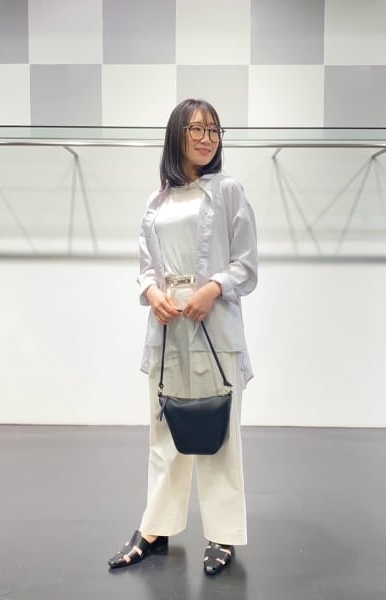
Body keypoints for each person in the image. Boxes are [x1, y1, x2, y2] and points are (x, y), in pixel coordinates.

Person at [108, 98, 258, 575]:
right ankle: (155, 530)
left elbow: (246, 265)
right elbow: (145, 268)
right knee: (164, 431)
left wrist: (212, 289)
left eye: (214, 130)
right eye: (197, 129)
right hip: (169, 327)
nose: (207, 138)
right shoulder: (157, 201)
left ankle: (223, 535)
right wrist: (152, 293)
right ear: (177, 135)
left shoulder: (228, 190)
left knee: (219, 433)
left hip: (214, 326)